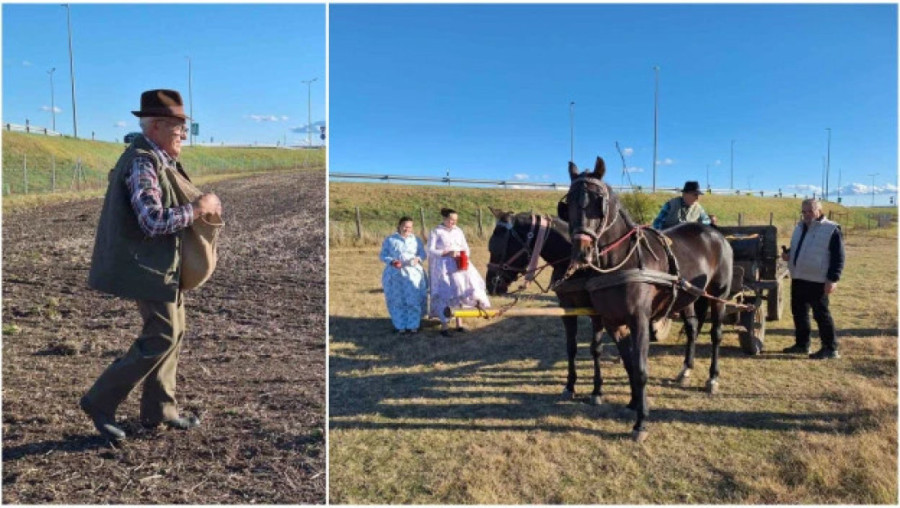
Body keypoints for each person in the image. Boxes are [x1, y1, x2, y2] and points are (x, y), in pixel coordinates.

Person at [81, 89, 222, 440]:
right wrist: (198, 209)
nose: (184, 134)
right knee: (161, 335)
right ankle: (99, 401)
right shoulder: (143, 162)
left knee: (174, 333)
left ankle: (160, 409)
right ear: (157, 126)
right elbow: (153, 221)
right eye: (178, 128)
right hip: (146, 268)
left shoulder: (157, 159)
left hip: (162, 266)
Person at [781, 198, 845, 359]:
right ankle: (802, 345)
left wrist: (833, 279)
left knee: (821, 314)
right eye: (804, 211)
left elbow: (839, 257)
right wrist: (788, 253)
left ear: (819, 211)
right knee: (799, 313)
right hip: (798, 277)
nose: (806, 214)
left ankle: (830, 349)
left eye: (810, 211)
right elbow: (798, 246)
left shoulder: (831, 229)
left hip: (818, 280)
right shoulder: (800, 227)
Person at [426, 208, 490, 336]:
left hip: (459, 265)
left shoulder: (458, 231)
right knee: (445, 292)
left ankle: (459, 324)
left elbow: (465, 247)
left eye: (455, 220)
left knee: (460, 290)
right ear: (445, 219)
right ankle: (444, 326)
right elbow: (430, 250)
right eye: (451, 220)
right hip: (443, 266)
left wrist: (463, 255)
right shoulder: (436, 231)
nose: (453, 222)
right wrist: (446, 253)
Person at [380, 216, 428, 334]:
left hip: (412, 274)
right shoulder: (390, 239)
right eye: (405, 227)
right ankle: (400, 326)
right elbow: (383, 255)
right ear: (400, 226)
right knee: (397, 300)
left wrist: (417, 259)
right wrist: (392, 261)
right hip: (395, 274)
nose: (407, 229)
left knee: (413, 299)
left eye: (410, 227)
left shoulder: (416, 240)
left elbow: (422, 254)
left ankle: (413, 326)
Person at [652, 180, 717, 230]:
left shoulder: (698, 208)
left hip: (688, 240)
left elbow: (706, 222)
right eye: (695, 195)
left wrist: (697, 226)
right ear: (685, 194)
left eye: (698, 195)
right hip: (669, 239)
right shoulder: (671, 205)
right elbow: (657, 224)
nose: (697, 198)